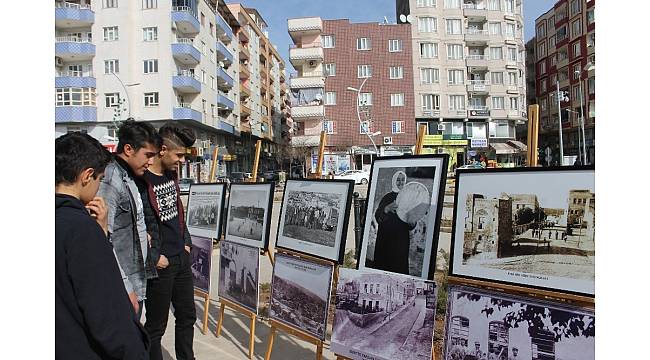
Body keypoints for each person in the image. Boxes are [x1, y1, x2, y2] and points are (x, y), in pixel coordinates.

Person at [55, 132, 150, 359]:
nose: (99, 188)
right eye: (99, 179)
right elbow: (108, 316)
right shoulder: (81, 230)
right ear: (87, 176)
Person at [139, 123, 197, 360]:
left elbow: (177, 210)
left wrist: (186, 242)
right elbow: (136, 225)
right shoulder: (142, 180)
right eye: (179, 155)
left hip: (180, 258)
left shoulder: (171, 175)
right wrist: (154, 257)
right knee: (155, 327)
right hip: (160, 264)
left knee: (187, 317)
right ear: (162, 150)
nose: (182, 161)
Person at [97, 120, 161, 318]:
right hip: (123, 286)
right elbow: (103, 238)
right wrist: (126, 287)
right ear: (128, 149)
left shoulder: (130, 176)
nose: (151, 162)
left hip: (136, 279)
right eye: (147, 155)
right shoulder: (111, 180)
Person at [373, 182, 430, 275]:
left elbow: (410, 224)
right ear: (394, 181)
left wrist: (412, 222)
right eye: (398, 179)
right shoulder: (387, 197)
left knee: (399, 268)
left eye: (402, 179)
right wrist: (386, 209)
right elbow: (378, 216)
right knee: (383, 269)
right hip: (386, 239)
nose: (400, 182)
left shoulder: (409, 198)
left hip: (401, 240)